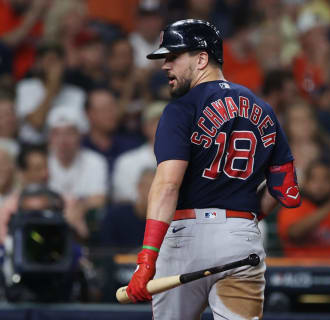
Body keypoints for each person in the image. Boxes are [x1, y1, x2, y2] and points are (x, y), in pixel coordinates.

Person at [125, 19, 301, 320]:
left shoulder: (181, 109)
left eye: (173, 57)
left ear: (201, 58)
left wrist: (146, 259)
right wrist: (237, 223)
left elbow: (168, 185)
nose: (166, 65)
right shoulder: (264, 109)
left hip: (185, 238)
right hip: (241, 238)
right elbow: (285, 189)